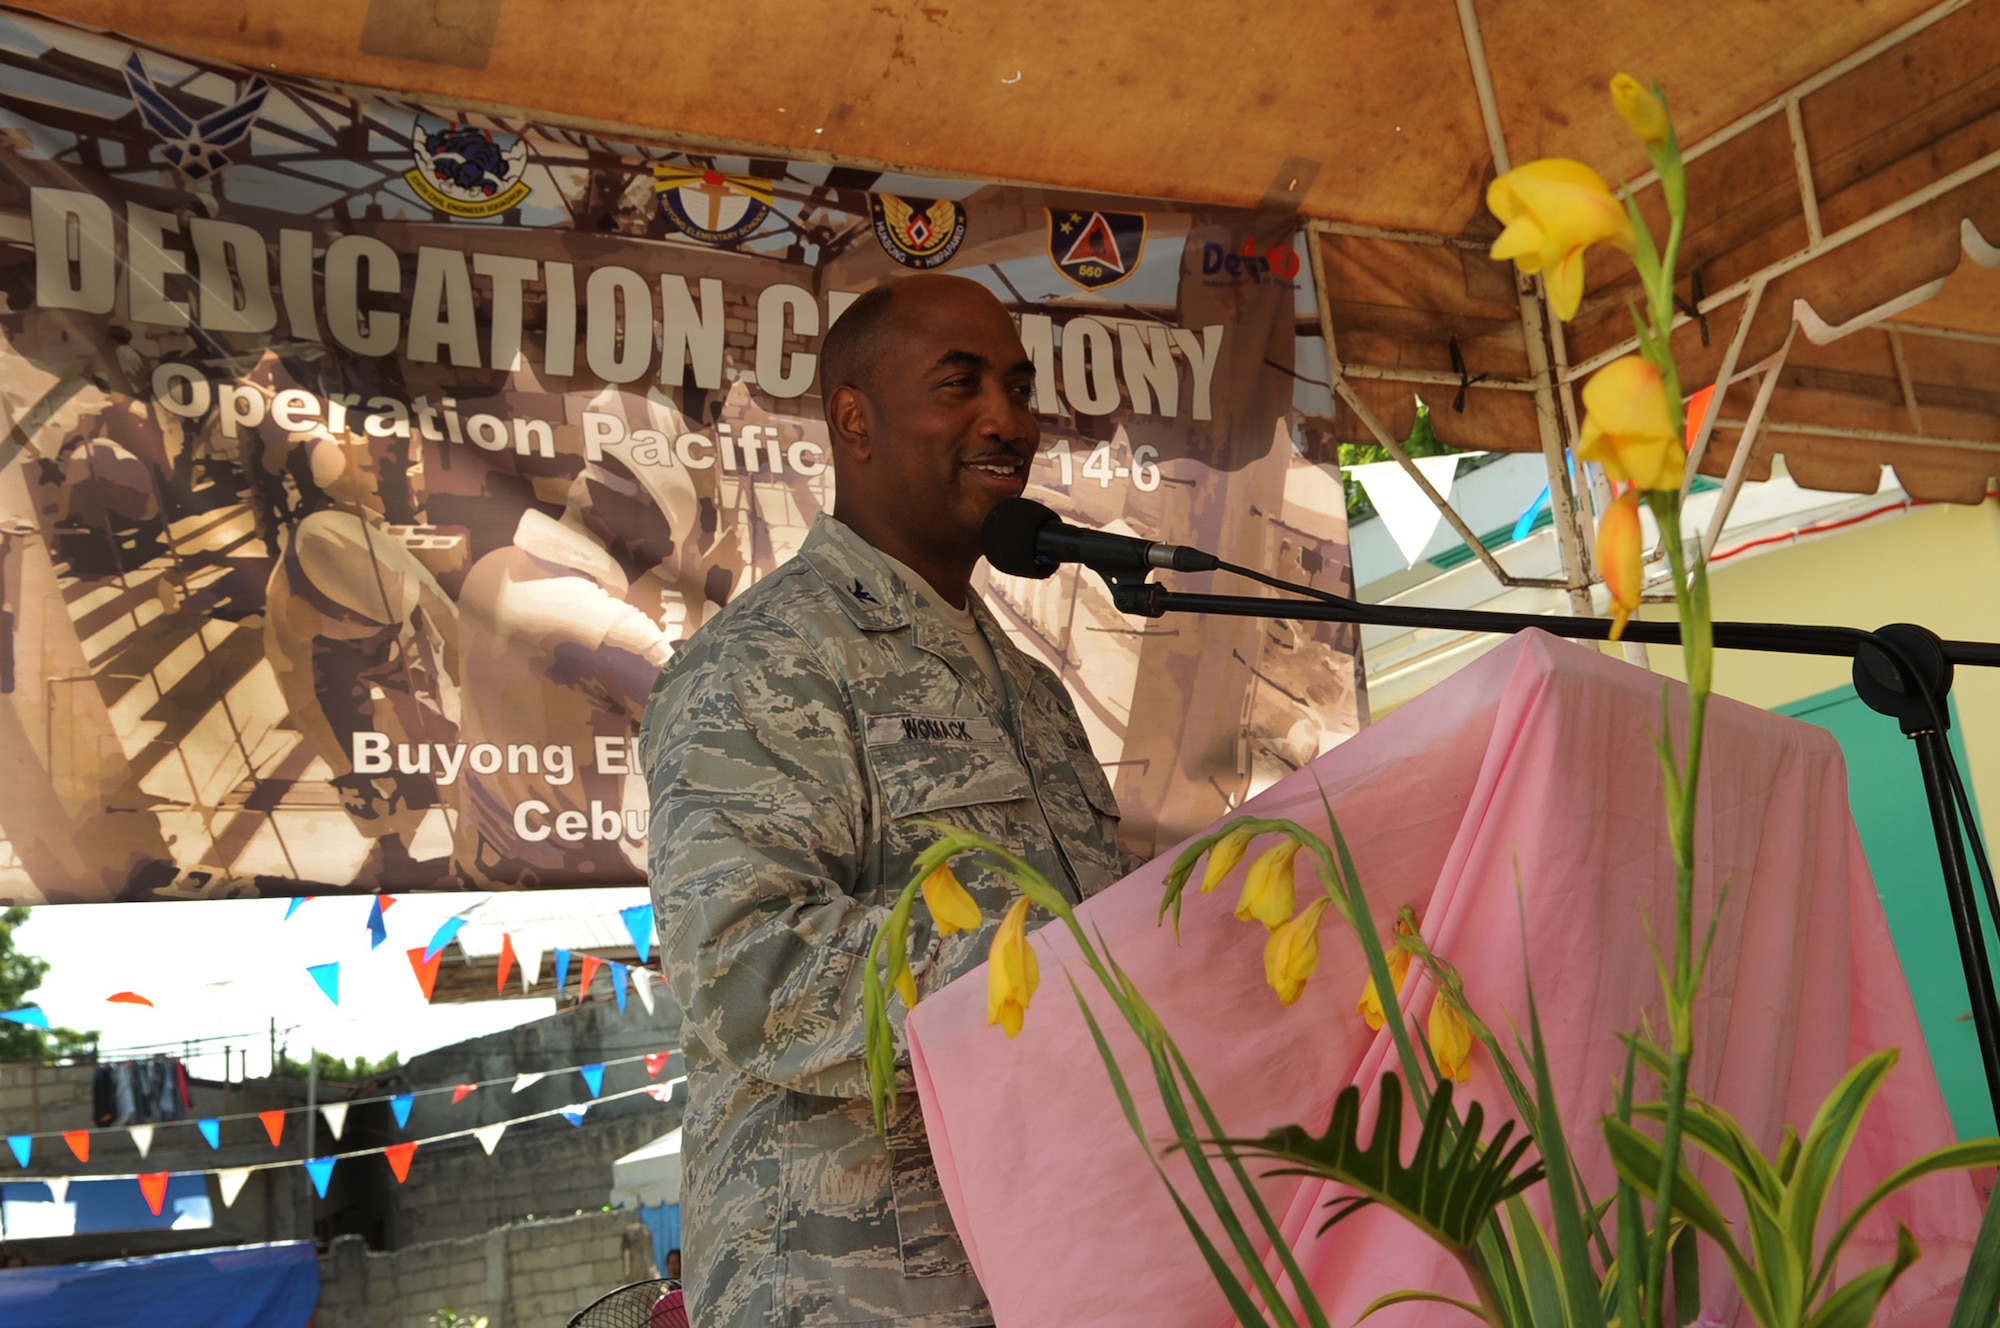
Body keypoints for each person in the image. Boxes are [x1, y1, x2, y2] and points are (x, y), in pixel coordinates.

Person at [642, 274, 1129, 1328]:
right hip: (853, 1289)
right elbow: (743, 963)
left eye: (1015, 385)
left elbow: (1102, 936)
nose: (1006, 418)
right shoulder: (763, 659)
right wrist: (1045, 980)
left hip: (1050, 1265)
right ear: (851, 418)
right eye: (958, 386)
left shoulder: (1032, 690)